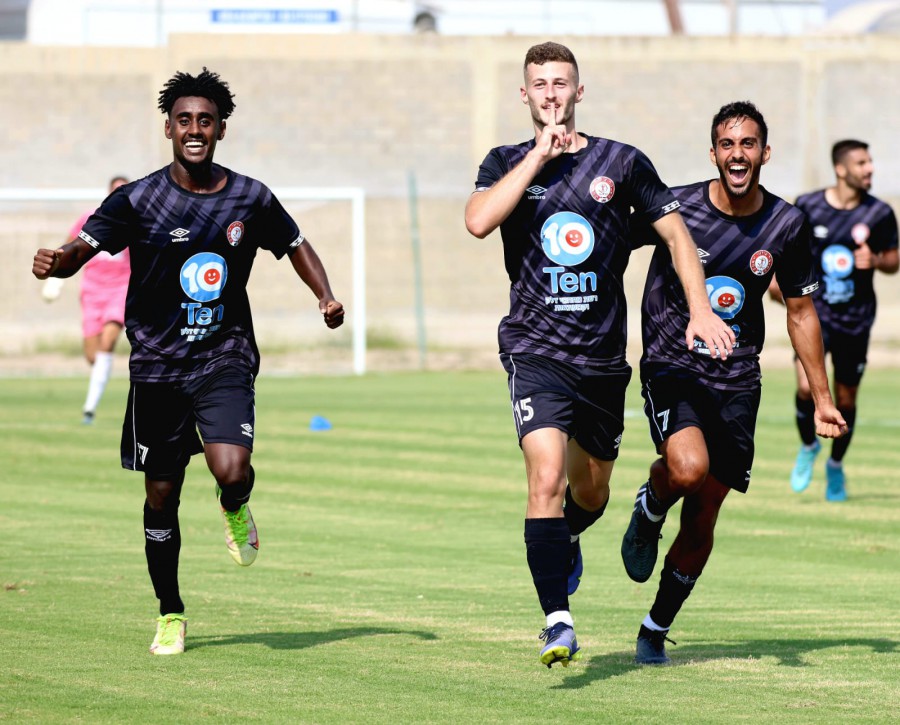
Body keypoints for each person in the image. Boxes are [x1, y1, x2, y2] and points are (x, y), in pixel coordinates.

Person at [32, 68, 345, 656]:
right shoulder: (138, 198)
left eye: (205, 120)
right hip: (156, 367)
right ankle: (170, 611)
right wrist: (57, 260)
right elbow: (82, 250)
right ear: (168, 129)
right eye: (184, 120)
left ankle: (235, 506)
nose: (194, 129)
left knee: (233, 469)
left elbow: (294, 243)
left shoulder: (249, 196)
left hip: (224, 356)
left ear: (221, 129)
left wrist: (324, 296)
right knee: (161, 496)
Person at [464, 41, 732, 668]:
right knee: (545, 478)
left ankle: (568, 538)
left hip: (603, 362)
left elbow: (677, 235)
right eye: (540, 84)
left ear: (579, 91)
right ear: (524, 94)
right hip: (535, 351)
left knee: (591, 492)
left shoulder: (623, 161)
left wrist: (700, 310)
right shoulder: (504, 160)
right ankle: (557, 621)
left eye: (561, 83)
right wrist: (538, 155)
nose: (551, 93)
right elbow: (478, 220)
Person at [620, 101, 847, 665]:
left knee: (703, 515)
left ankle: (655, 627)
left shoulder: (786, 224)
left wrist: (822, 399)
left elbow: (801, 313)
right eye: (727, 144)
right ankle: (650, 504)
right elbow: (609, 240)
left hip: (738, 377)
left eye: (748, 144)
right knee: (687, 469)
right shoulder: (677, 207)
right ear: (713, 153)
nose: (737, 154)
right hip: (673, 362)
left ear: (765, 153)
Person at [775, 140, 898, 501]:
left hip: (856, 320)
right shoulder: (808, 205)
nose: (870, 168)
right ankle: (808, 446)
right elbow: (787, 249)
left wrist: (877, 261)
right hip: (816, 314)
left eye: (870, 162)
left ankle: (835, 465)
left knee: (846, 398)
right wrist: (776, 282)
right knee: (804, 387)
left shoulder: (879, 213)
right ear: (841, 169)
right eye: (862, 163)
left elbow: (893, 259)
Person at [42, 176, 131, 424]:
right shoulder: (91, 218)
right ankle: (99, 379)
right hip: (92, 291)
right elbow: (70, 246)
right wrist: (55, 278)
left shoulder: (137, 220)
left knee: (107, 343)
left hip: (121, 289)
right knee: (93, 356)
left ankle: (89, 409)